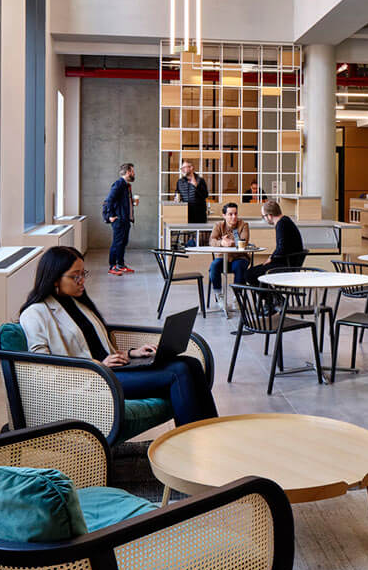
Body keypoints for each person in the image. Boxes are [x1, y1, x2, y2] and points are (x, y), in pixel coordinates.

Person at [18, 245, 218, 426]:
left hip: (112, 370)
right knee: (178, 371)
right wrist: (99, 365)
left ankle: (211, 435)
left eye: (83, 274)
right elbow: (41, 369)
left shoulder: (77, 303)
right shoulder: (36, 313)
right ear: (54, 279)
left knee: (190, 363)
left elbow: (96, 347)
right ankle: (192, 442)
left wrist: (131, 354)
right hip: (93, 379)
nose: (82, 281)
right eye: (75, 276)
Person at [244, 200, 306, 286]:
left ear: (269, 216)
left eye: (264, 216)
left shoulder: (281, 224)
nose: (264, 219)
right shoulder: (286, 221)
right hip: (290, 262)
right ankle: (274, 298)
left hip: (285, 265)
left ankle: (273, 298)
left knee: (249, 274)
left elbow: (282, 247)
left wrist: (271, 258)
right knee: (254, 272)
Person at [208, 202, 252, 293]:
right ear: (224, 215)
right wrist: (222, 242)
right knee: (214, 266)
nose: (234, 217)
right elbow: (212, 241)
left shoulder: (244, 225)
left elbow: (244, 242)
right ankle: (219, 294)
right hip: (223, 258)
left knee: (239, 267)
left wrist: (228, 243)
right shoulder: (218, 225)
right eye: (230, 214)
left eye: (235, 214)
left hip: (240, 257)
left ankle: (237, 296)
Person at [102, 162, 136, 275]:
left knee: (123, 243)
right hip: (119, 220)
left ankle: (120, 264)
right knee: (117, 243)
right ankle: (113, 266)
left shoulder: (126, 185)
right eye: (132, 171)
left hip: (125, 220)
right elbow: (109, 201)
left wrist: (133, 203)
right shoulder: (119, 184)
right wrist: (110, 216)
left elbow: (121, 203)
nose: (134, 173)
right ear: (127, 172)